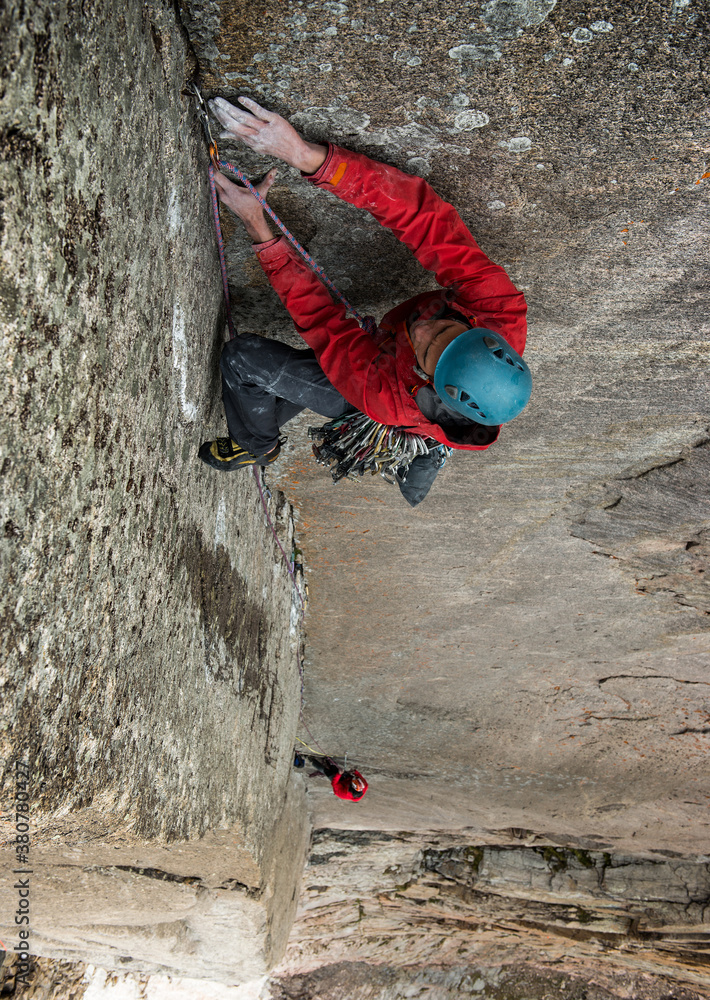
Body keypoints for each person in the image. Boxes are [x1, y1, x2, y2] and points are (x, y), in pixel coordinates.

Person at [198, 96, 531, 506]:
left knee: (243, 358)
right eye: (448, 328)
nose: (423, 330)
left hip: (379, 393)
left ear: (429, 382)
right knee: (314, 373)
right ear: (482, 333)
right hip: (390, 364)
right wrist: (305, 155)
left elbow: (321, 319)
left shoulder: (387, 398)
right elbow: (423, 218)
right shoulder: (498, 309)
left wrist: (258, 227)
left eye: (427, 349)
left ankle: (258, 446)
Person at [293, 753, 368, 802]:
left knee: (326, 771)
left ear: (351, 787)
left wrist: (339, 775)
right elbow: (361, 778)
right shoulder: (364, 785)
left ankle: (309, 759)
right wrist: (355, 772)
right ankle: (329, 762)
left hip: (339, 783)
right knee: (335, 769)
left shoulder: (343, 793)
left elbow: (334, 783)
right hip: (346, 780)